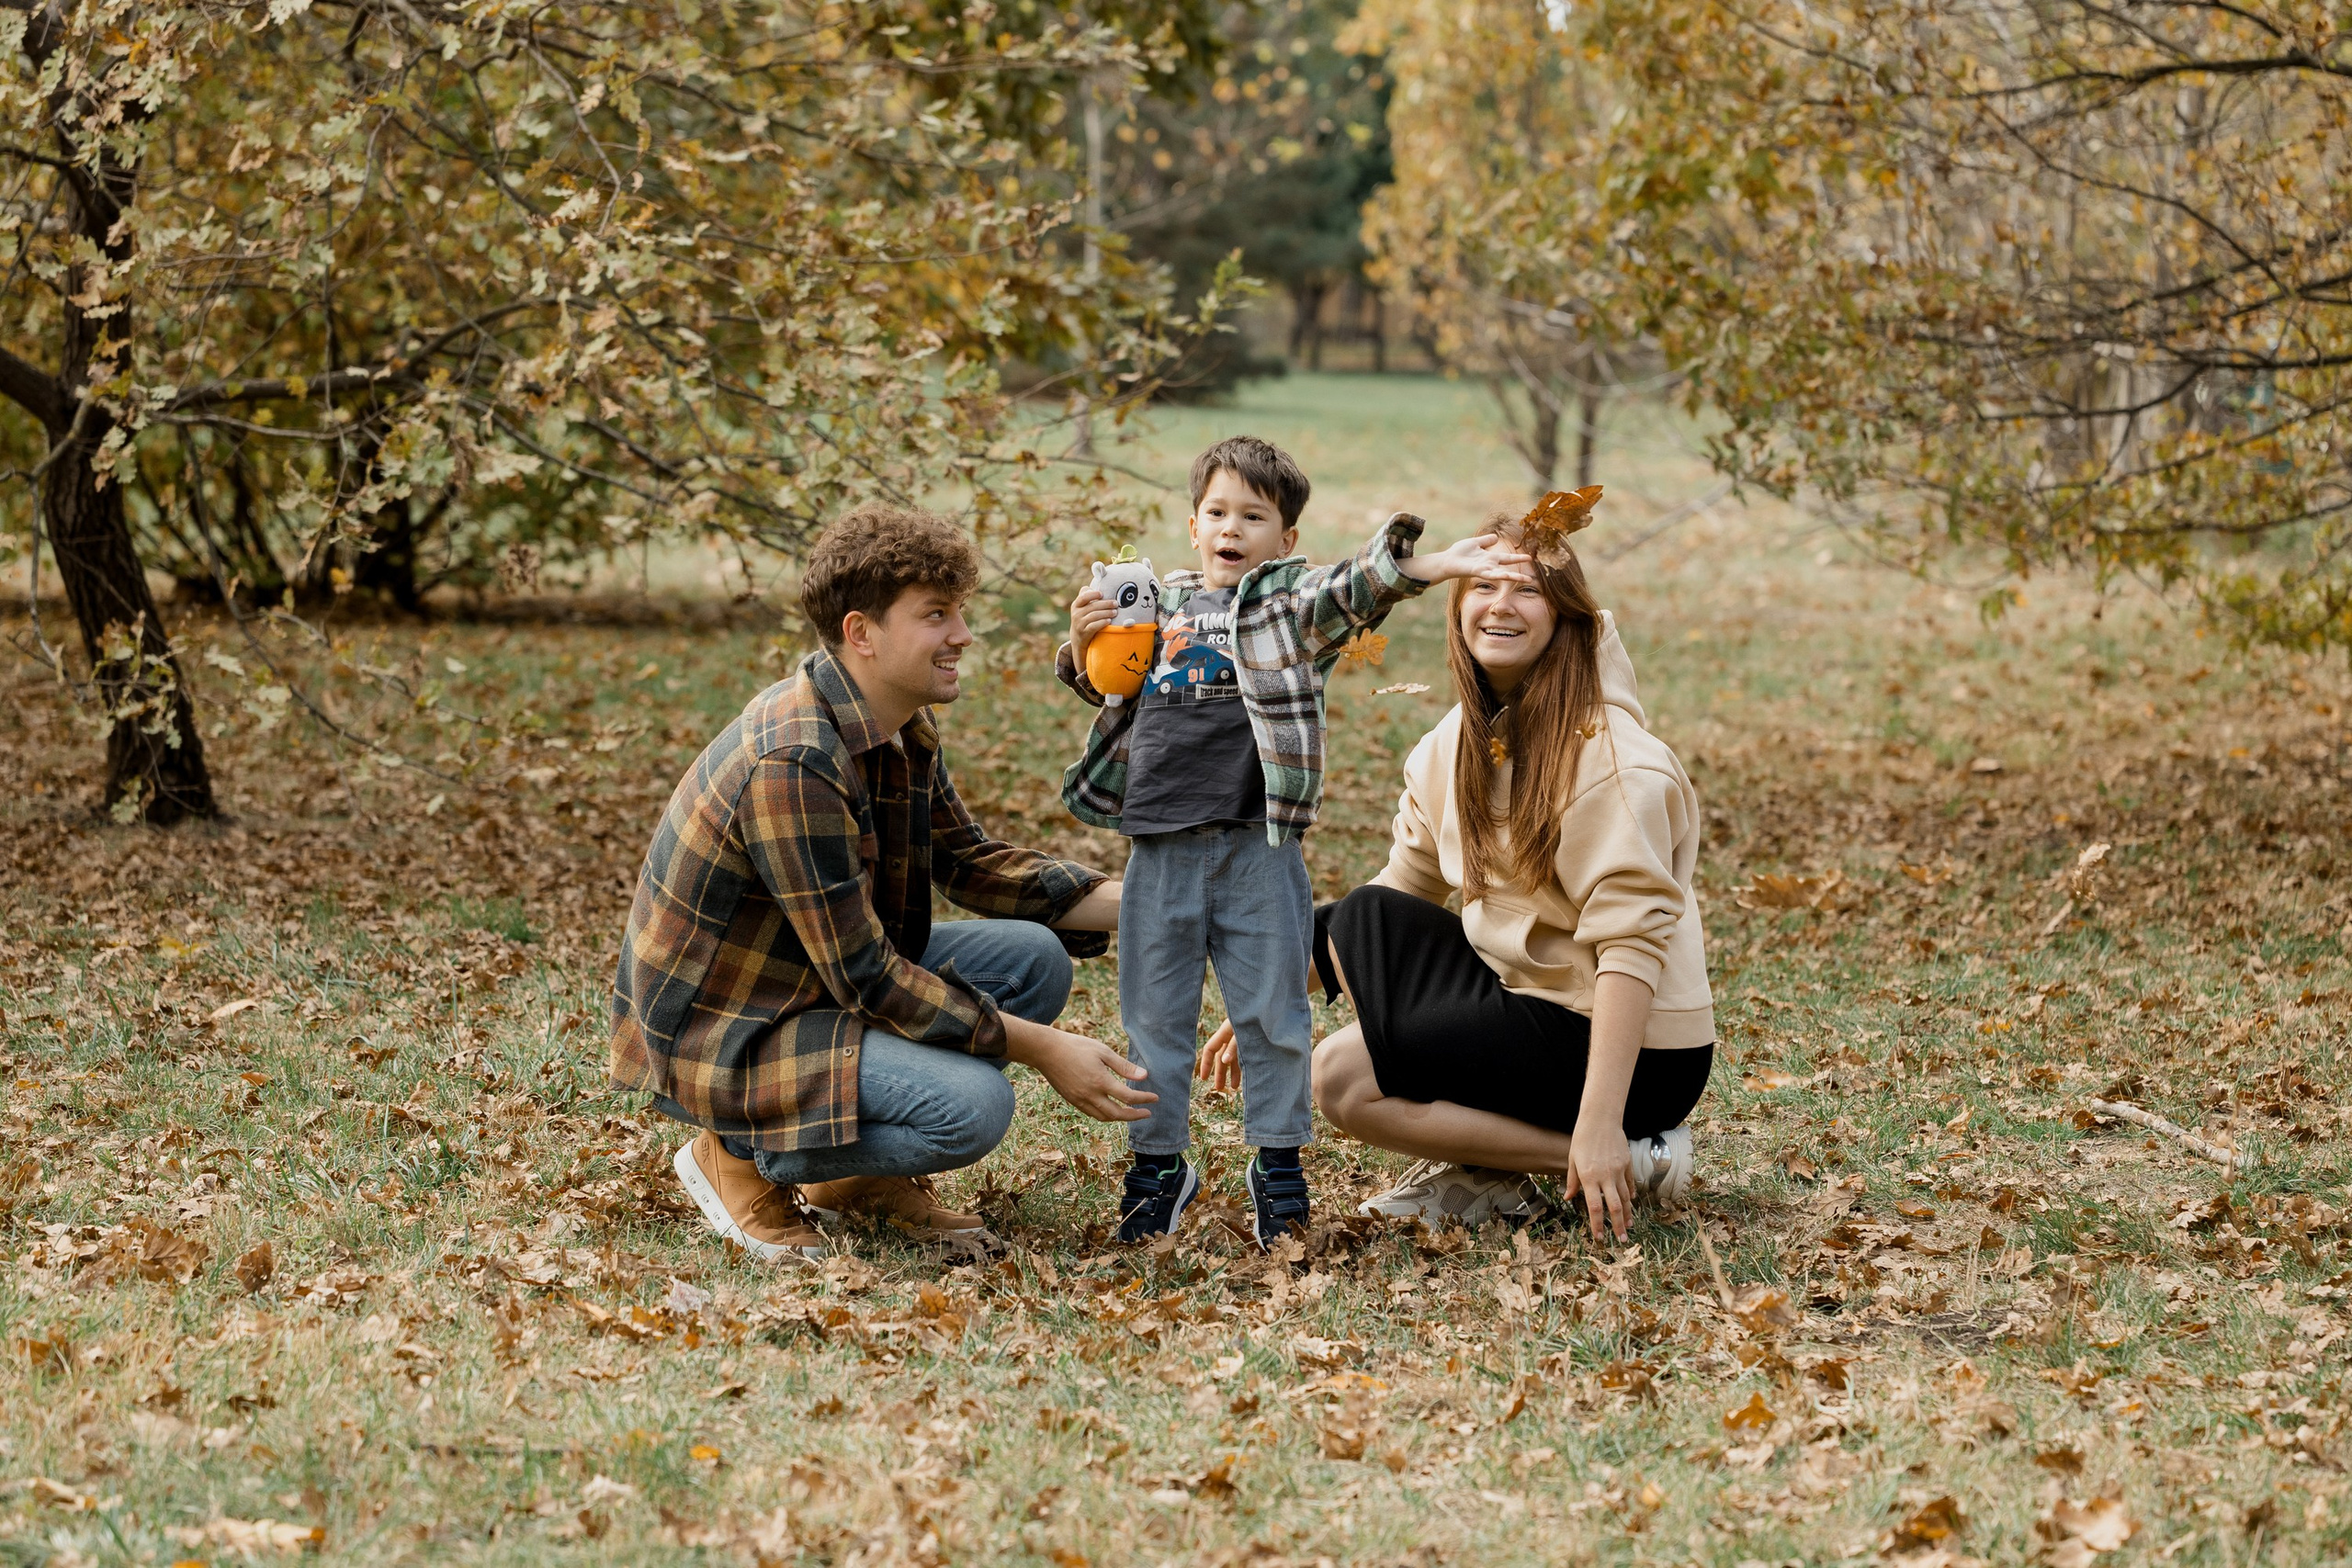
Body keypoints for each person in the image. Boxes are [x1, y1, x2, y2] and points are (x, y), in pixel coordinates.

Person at [610, 504, 1154, 1263]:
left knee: (1035, 957)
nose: (962, 634)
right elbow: (868, 975)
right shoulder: (797, 761)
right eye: (936, 615)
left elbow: (969, 861)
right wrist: (1042, 1047)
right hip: (726, 1034)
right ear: (862, 633)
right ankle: (734, 1153)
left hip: (804, 991)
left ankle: (852, 1180)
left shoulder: (896, 722)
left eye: (959, 611)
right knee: (974, 1108)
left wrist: (1154, 906)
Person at [1059, 435, 1533, 1246]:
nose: (1231, 528)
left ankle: (1277, 1164)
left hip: (1258, 851)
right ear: (1193, 524)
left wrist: (1440, 563)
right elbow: (1106, 678)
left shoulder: (1289, 609)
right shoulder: (1159, 604)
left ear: (1285, 541)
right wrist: (1081, 636)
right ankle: (1158, 1166)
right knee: (1154, 1020)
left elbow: (1359, 587)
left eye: (1253, 515)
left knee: (1273, 1019)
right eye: (1217, 512)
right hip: (1158, 850)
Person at [1199, 513, 1714, 1241]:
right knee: (1342, 1075)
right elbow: (1408, 882)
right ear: (1458, 603)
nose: (1500, 603)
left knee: (1360, 921)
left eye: (1526, 589)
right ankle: (1552, 1165)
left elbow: (1631, 949)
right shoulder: (1453, 745)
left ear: (1564, 615)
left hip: (1643, 1052)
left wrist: (1602, 1118)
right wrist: (1272, 995)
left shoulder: (1615, 760)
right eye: (1483, 584)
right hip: (1534, 1004)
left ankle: (1621, 1148)